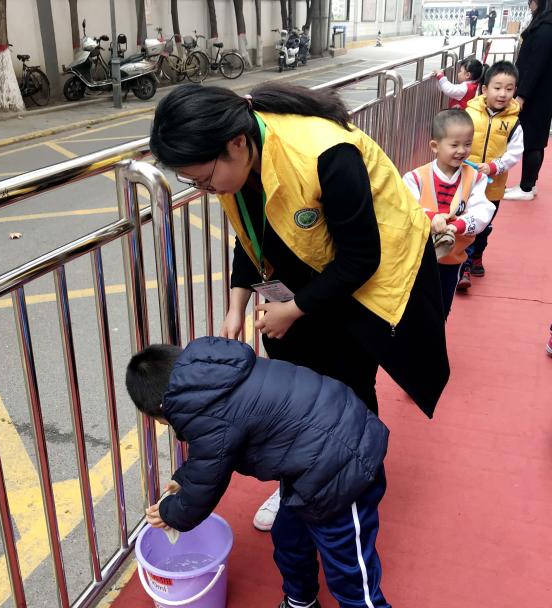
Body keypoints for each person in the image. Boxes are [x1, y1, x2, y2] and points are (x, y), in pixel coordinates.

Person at [150, 83, 449, 530]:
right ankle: (302, 476)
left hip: (364, 277)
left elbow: (361, 259)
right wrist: (236, 304)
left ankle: (354, 482)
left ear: (236, 143)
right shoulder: (239, 160)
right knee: (295, 385)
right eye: (193, 183)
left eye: (204, 179)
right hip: (304, 280)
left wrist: (292, 310)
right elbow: (250, 234)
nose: (205, 189)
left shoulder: (326, 153)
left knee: (347, 384)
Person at [126, 337, 416, 608]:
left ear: (158, 409)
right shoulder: (208, 375)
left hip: (344, 466)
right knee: (288, 536)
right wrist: (183, 480)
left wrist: (170, 512)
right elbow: (211, 456)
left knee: (354, 585)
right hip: (311, 459)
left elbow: (204, 487)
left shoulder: (200, 410)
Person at [403, 110, 495, 316]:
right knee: (410, 306)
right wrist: (431, 217)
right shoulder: (415, 178)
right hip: (417, 258)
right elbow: (406, 208)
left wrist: (456, 226)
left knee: (442, 307)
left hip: (452, 259)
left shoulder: (475, 178)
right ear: (435, 146)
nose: (462, 150)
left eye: (467, 144)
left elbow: (483, 211)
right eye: (454, 145)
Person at [456, 60, 523, 289]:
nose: (503, 94)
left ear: (515, 91)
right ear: (485, 89)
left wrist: (495, 167)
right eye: (497, 87)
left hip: (493, 187)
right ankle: (464, 266)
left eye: (509, 88)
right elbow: (456, 138)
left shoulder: (513, 123)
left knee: (484, 226)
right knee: (466, 221)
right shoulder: (469, 114)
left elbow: (515, 152)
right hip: (466, 183)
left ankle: (477, 255)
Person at [504, 0, 552, 201]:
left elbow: (534, 66)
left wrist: (522, 95)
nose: (529, 5)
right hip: (540, 93)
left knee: (532, 140)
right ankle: (529, 184)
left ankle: (526, 187)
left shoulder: (546, 28)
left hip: (536, 95)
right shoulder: (545, 25)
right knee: (535, 139)